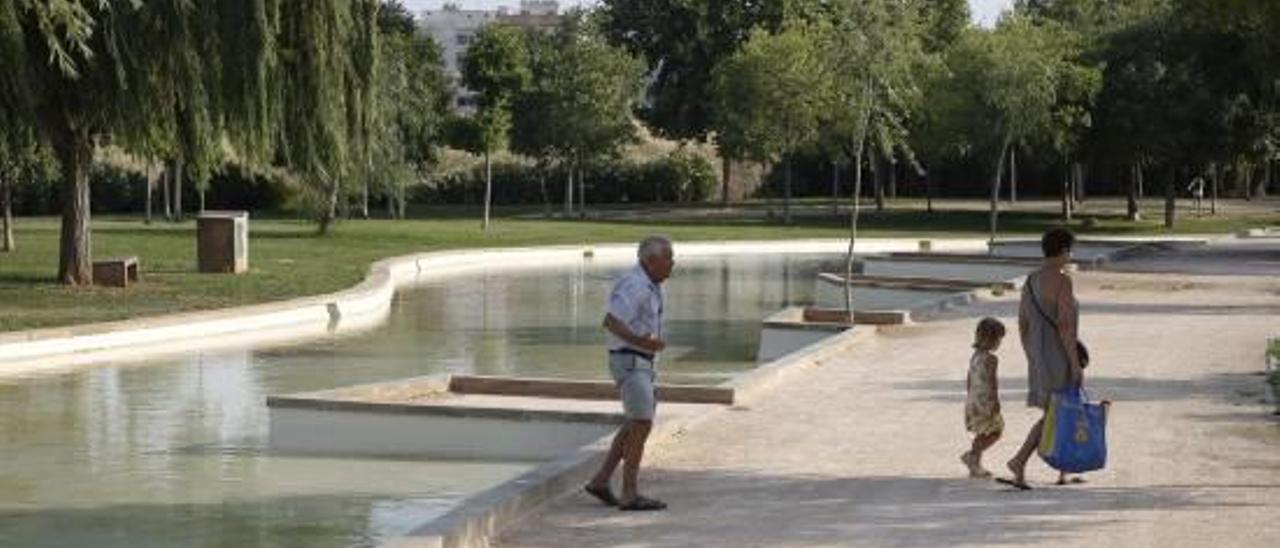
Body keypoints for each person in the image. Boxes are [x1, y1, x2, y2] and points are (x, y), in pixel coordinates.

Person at [584, 236, 675, 511]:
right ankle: (629, 493)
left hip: (641, 362)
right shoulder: (635, 285)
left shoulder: (650, 285)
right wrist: (642, 342)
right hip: (631, 361)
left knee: (634, 423)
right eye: (668, 257)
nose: (673, 263)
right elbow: (610, 321)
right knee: (642, 423)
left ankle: (601, 480)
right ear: (651, 260)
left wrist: (647, 347)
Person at [1003, 228, 1085, 490]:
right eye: (1070, 250)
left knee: (1059, 412)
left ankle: (1062, 470)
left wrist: (1032, 356)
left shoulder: (1030, 281)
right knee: (1057, 413)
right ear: (1062, 251)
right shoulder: (1062, 282)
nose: (1071, 255)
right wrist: (1074, 363)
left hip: (1038, 355)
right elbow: (1066, 327)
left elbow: (1023, 323)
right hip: (1059, 355)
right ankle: (1019, 460)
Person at [962, 317, 1006, 479]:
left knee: (982, 432)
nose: (999, 343)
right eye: (999, 339)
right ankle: (972, 455)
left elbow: (969, 377)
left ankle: (975, 465)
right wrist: (995, 401)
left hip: (974, 400)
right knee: (995, 432)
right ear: (991, 339)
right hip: (986, 401)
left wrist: (970, 397)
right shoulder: (991, 359)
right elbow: (993, 382)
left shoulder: (975, 356)